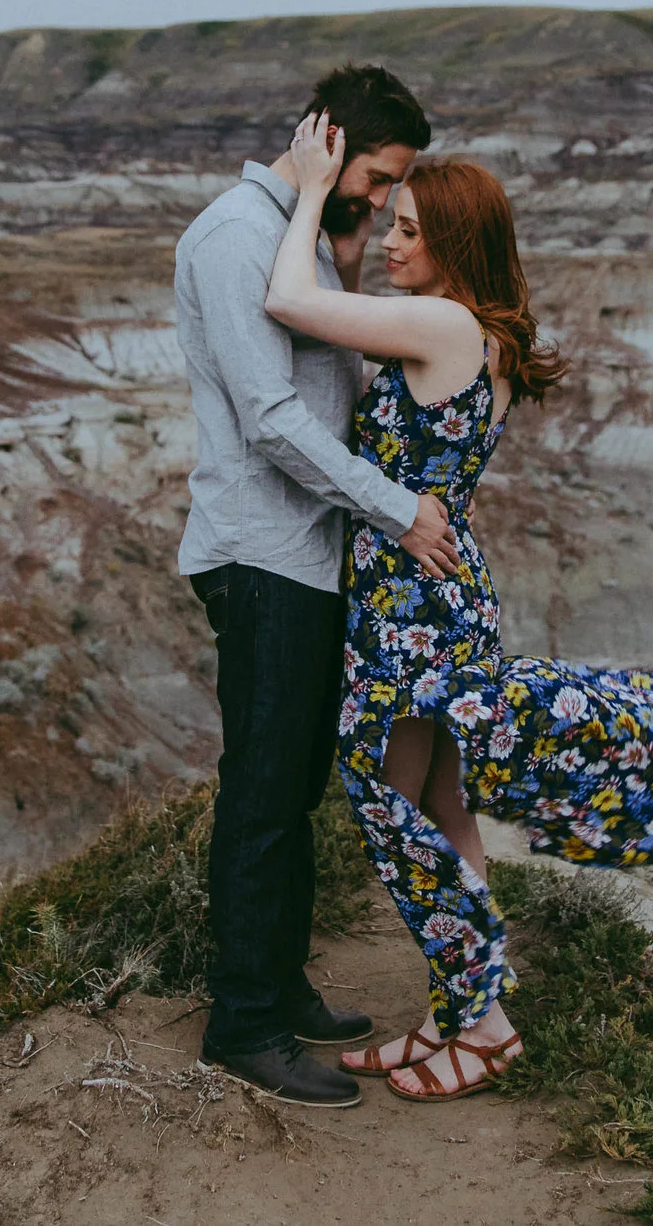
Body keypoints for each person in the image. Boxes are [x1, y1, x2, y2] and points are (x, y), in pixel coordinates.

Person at [263, 112, 653, 1103]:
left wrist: (305, 186)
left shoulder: (445, 325)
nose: (393, 241)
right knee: (436, 802)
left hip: (410, 603)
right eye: (393, 221)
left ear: (458, 243)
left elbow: (287, 297)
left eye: (412, 227)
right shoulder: (484, 334)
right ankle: (461, 1015)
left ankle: (487, 1023)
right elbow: (336, 294)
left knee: (389, 806)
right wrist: (339, 216)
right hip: (433, 589)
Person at [175, 63, 464, 1108]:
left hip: (306, 553)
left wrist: (336, 238)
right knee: (260, 792)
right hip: (262, 554)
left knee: (293, 788)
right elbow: (272, 416)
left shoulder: (297, 232)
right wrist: (396, 507)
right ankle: (242, 1022)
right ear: (331, 144)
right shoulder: (234, 237)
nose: (386, 204)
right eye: (380, 178)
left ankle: (277, 981)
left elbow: (331, 382)